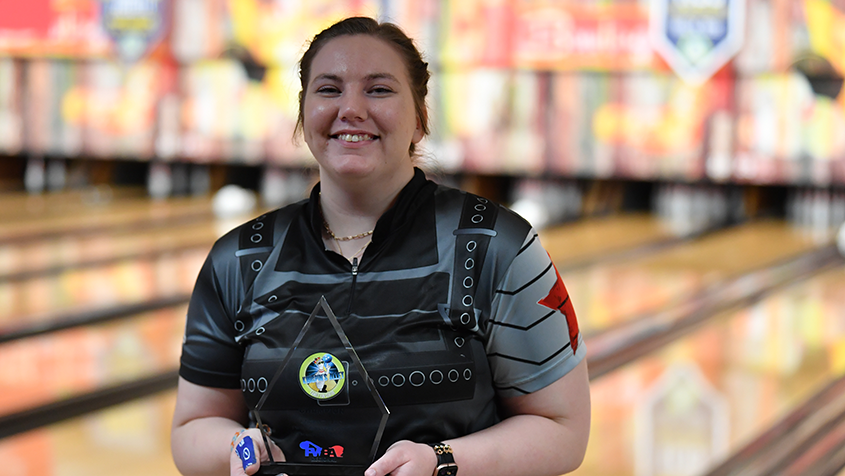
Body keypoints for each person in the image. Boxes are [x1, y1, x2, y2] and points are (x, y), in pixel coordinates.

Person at [171, 16, 590, 476]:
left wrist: (442, 463)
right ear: (303, 113)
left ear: (419, 119)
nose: (350, 108)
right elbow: (194, 426)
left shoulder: (498, 246)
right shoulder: (238, 259)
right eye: (328, 89)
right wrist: (235, 446)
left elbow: (561, 428)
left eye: (379, 89)